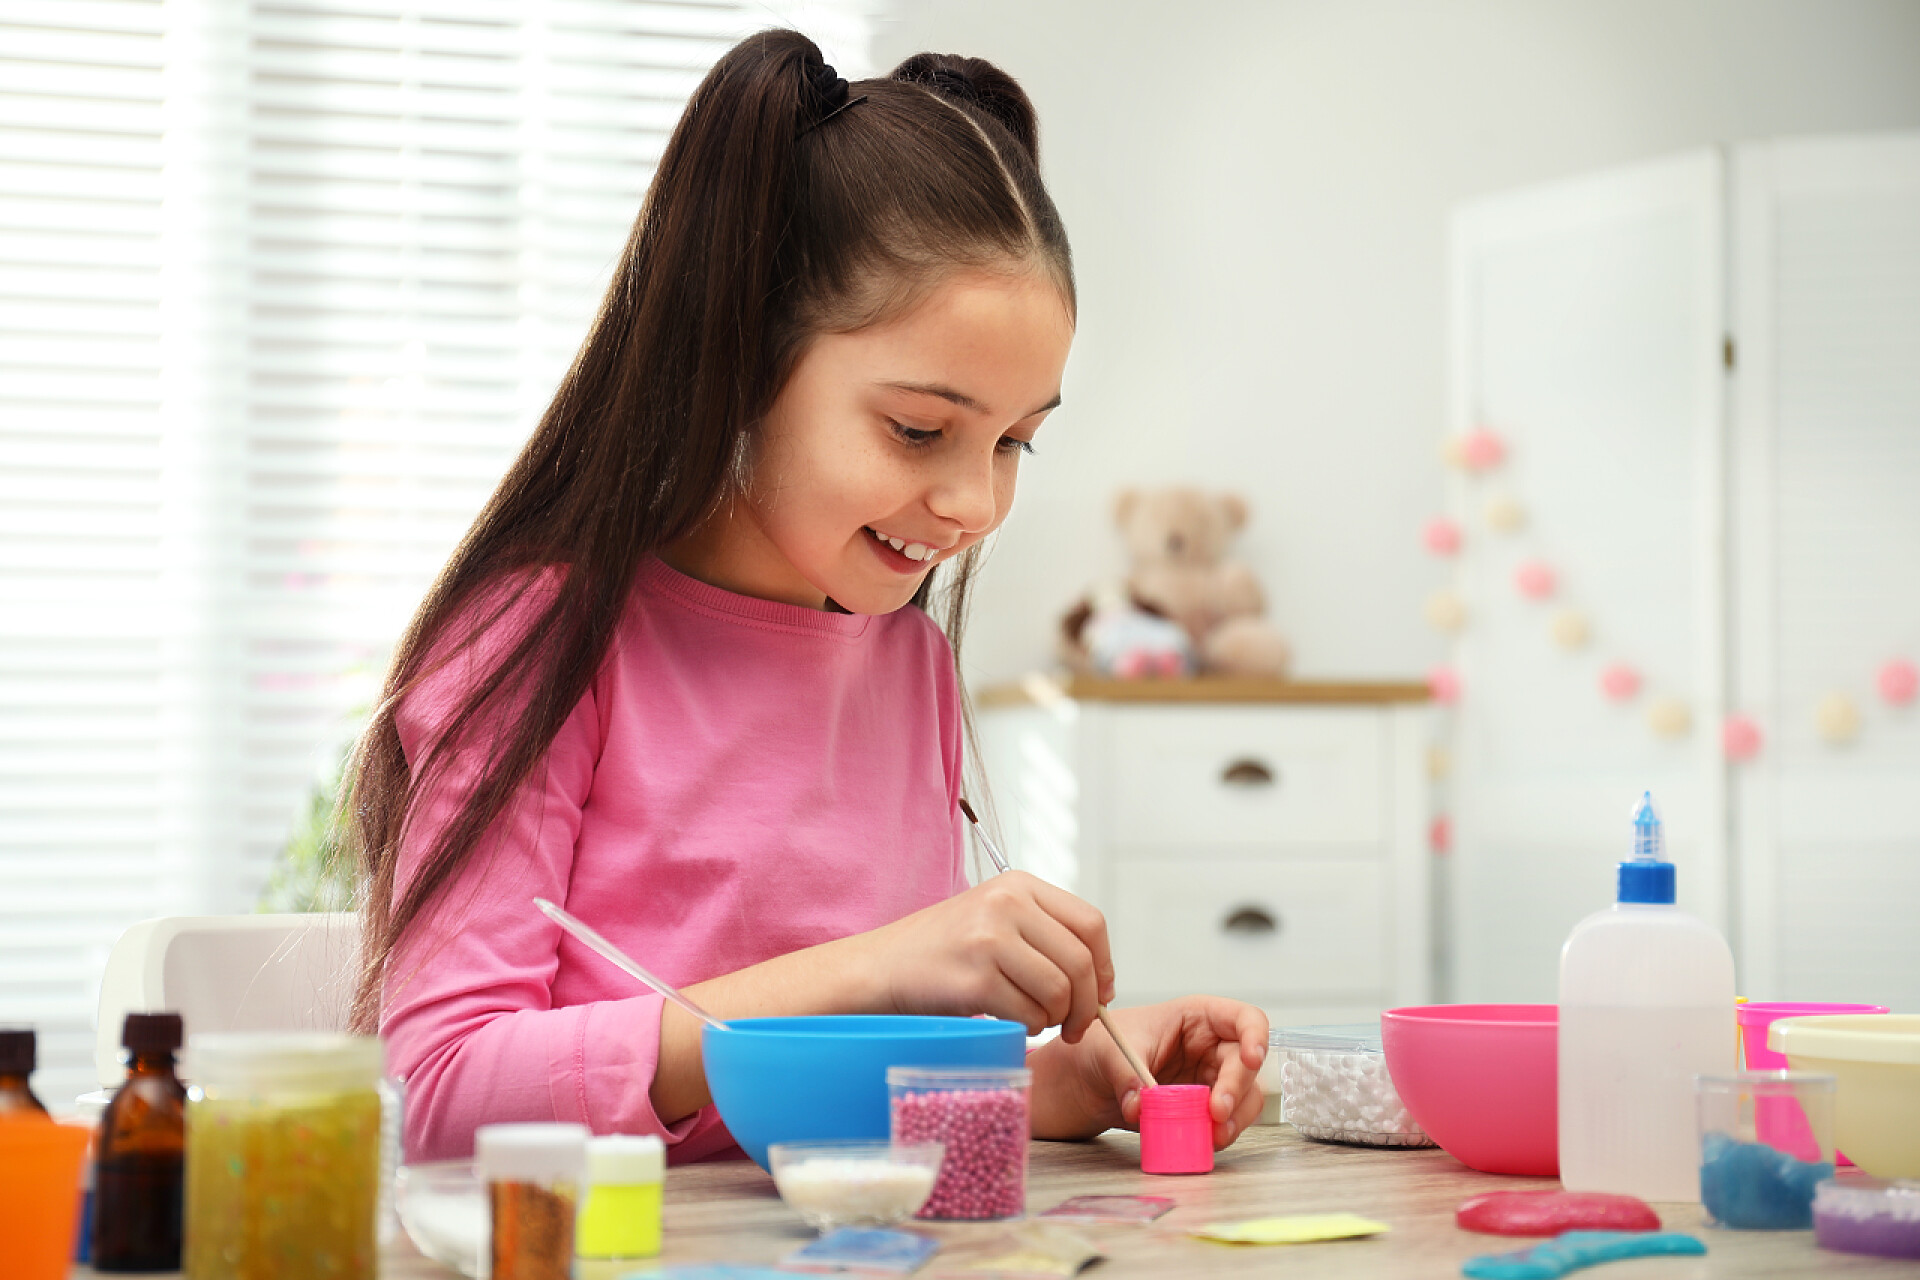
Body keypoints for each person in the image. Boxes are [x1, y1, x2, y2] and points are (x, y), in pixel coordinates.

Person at [346, 28, 1268, 1164]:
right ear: (745, 357)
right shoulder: (538, 641)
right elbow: (442, 1091)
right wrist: (877, 965)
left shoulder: (904, 660)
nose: (974, 502)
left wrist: (1066, 1080)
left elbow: (842, 1103)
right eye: (920, 429)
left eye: (1016, 441)